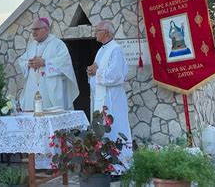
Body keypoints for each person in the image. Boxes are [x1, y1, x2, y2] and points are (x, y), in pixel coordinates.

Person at [87, 20, 133, 176]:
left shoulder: (116, 50)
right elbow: (97, 69)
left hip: (113, 99)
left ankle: (120, 168)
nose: (95, 32)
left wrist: (96, 73)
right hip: (102, 98)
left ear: (106, 32)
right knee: (104, 131)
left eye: (97, 30)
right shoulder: (101, 50)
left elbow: (116, 75)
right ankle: (106, 167)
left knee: (115, 129)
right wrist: (91, 71)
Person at [18, 17, 79, 111]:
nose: (34, 32)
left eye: (36, 29)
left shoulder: (58, 44)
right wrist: (28, 64)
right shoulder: (32, 46)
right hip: (32, 89)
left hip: (50, 90)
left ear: (46, 29)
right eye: (32, 29)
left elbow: (65, 63)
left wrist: (45, 63)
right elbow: (22, 60)